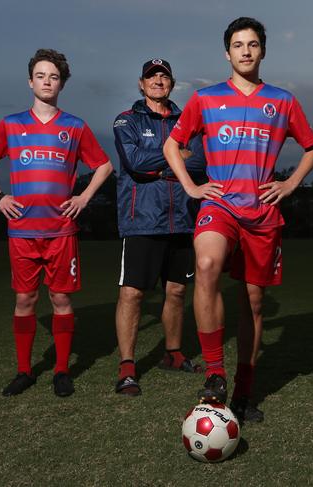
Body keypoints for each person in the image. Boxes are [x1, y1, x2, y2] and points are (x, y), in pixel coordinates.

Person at [164, 17, 313, 422]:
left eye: (253, 44)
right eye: (238, 44)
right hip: (220, 205)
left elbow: (312, 147)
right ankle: (215, 373)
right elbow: (172, 145)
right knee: (205, 265)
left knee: (252, 301)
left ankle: (244, 391)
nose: (246, 51)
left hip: (262, 212)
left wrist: (289, 185)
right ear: (227, 52)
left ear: (262, 51)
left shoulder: (282, 101)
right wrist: (192, 187)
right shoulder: (206, 98)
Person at [0, 49, 113, 397]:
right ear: (30, 81)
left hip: (61, 231)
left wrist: (82, 197)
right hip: (22, 231)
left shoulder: (74, 126)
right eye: (41, 76)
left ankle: (62, 370)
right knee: (25, 299)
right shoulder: (12, 124)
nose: (47, 81)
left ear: (62, 83)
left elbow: (104, 166)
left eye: (53, 76)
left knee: (61, 300)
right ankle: (24, 371)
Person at [113, 59, 206, 396]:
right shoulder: (127, 120)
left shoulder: (188, 120)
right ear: (141, 84)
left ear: (172, 84)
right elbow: (134, 163)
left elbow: (199, 161)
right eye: (152, 77)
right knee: (133, 293)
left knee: (177, 291)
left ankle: (173, 353)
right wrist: (176, 156)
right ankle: (127, 366)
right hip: (142, 220)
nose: (158, 81)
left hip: (181, 218)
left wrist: (168, 161)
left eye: (164, 76)